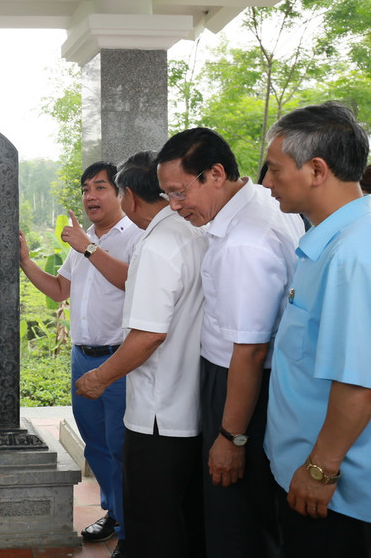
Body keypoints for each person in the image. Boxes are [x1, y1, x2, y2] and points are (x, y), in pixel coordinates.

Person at [156, 128, 304, 558]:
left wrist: (231, 437)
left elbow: (251, 350)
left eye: (180, 193)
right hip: (242, 378)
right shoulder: (255, 205)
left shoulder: (245, 242)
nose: (176, 207)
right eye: (167, 196)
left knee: (234, 518)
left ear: (215, 174)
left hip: (239, 385)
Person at [76, 151, 208, 558]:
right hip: (188, 398)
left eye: (105, 188)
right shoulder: (194, 232)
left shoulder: (155, 244)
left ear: (129, 196)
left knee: (153, 516)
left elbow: (149, 335)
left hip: (157, 410)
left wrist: (100, 377)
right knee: (179, 512)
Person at [261, 101, 371, 556]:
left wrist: (321, 469)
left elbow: (358, 381)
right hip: (305, 467)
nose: (266, 183)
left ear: (317, 170)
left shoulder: (351, 254)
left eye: (274, 169)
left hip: (331, 489)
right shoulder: (330, 240)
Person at [19, 161, 143, 558]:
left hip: (120, 360)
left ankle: (132, 532)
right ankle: (113, 512)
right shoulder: (85, 238)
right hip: (83, 357)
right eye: (86, 188)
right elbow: (59, 291)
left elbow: (130, 281)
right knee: (97, 446)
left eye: (100, 187)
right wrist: (25, 261)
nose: (91, 196)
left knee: (122, 446)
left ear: (120, 193)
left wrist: (88, 248)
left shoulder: (136, 236)